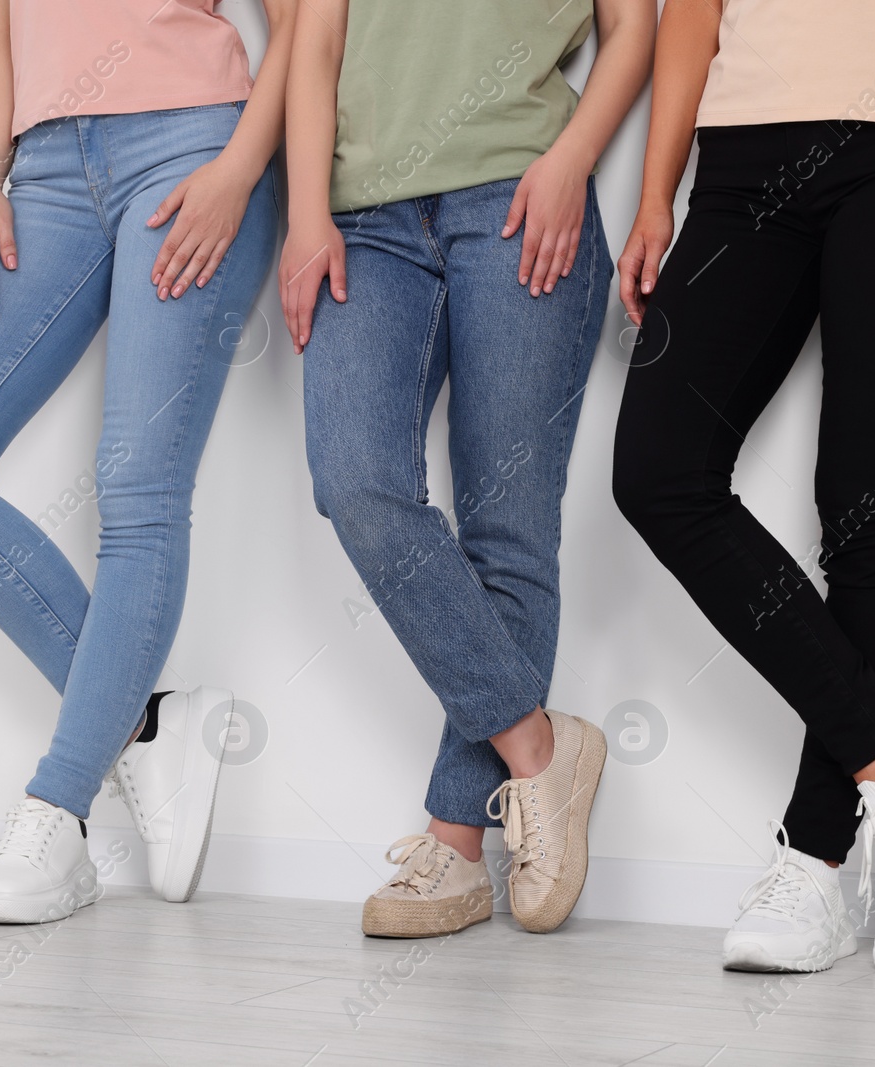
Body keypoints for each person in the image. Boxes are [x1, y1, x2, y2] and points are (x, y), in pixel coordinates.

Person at [612, 0, 875, 971]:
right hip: (741, 155)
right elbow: (691, 15)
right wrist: (653, 194)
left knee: (865, 512)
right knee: (658, 472)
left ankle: (813, 860)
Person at [0, 0, 294, 923]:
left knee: (139, 488)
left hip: (194, 146)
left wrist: (241, 165)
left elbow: (304, 22)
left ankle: (57, 807)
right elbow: (4, 31)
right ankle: (148, 722)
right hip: (49, 170)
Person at [280, 0, 654, 939]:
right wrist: (302, 215)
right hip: (362, 215)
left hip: (522, 192)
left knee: (507, 527)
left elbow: (635, 28)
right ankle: (541, 752)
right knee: (355, 479)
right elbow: (316, 35)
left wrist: (572, 162)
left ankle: (455, 843)